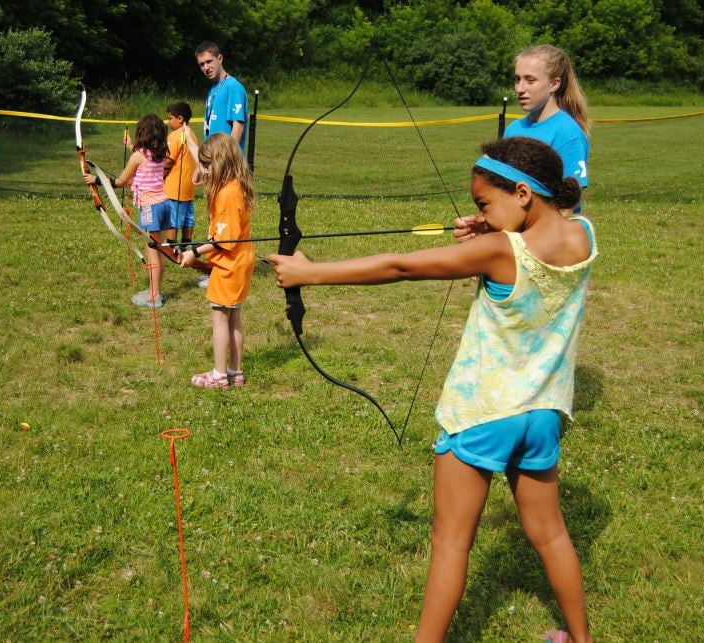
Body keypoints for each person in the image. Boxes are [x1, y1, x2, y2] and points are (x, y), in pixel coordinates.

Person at [269, 136, 597, 643]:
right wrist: (493, 221)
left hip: (482, 415)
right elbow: (545, 230)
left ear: (524, 194)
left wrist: (309, 273)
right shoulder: (584, 235)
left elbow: (401, 266)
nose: (478, 213)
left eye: (483, 203)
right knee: (551, 534)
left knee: (450, 542)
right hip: (543, 413)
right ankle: (581, 639)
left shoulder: (500, 252)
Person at [179, 134, 255, 389]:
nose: (205, 171)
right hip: (239, 262)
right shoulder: (234, 186)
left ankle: (219, 375)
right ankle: (235, 372)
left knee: (220, 317)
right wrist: (204, 175)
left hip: (229, 264)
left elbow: (226, 240)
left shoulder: (227, 194)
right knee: (233, 316)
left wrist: (194, 252)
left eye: (208, 165)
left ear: (221, 162)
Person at [84, 114, 172, 307]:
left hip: (150, 207)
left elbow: (120, 181)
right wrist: (131, 145)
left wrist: (96, 180)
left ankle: (153, 296)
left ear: (143, 132)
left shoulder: (138, 155)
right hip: (165, 204)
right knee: (157, 249)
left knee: (152, 252)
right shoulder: (162, 151)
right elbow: (143, 169)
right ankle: (154, 289)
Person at [506, 44, 590, 214]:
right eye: (517, 79)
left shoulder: (568, 133)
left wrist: (532, 234)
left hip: (551, 236)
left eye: (530, 80)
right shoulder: (512, 129)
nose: (520, 89)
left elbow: (567, 205)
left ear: (554, 84)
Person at [195, 41, 249, 290]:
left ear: (220, 58)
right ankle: (215, 266)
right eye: (201, 64)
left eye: (209, 61)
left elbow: (237, 126)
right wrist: (202, 164)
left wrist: (227, 161)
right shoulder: (213, 90)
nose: (206, 67)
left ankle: (225, 267)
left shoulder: (233, 88)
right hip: (212, 163)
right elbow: (209, 130)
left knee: (226, 216)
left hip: (226, 165)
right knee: (214, 214)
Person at [163, 102, 200, 256]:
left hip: (175, 187)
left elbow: (168, 160)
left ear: (179, 119)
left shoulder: (174, 135)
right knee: (187, 217)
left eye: (170, 118)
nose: (168, 121)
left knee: (173, 218)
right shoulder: (191, 133)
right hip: (189, 186)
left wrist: (160, 176)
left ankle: (171, 246)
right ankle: (186, 244)